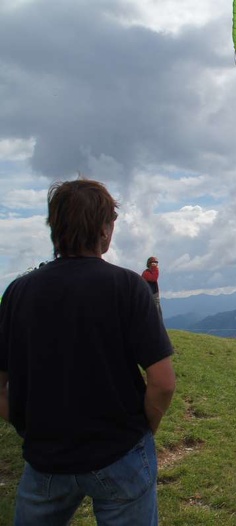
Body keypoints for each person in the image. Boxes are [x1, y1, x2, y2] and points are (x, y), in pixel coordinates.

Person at [0, 178, 176, 525]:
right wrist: (143, 431)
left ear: (54, 226)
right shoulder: (128, 287)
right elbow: (163, 382)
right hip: (120, 452)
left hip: (45, 459)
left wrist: (28, 427)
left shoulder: (18, 292)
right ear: (104, 229)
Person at [142, 255, 163, 321]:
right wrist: (155, 268)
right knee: (155, 315)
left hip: (154, 296)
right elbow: (154, 278)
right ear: (149, 264)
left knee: (159, 313)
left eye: (156, 263)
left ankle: (159, 329)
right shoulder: (146, 273)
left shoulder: (151, 272)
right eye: (153, 263)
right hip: (151, 297)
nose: (155, 264)